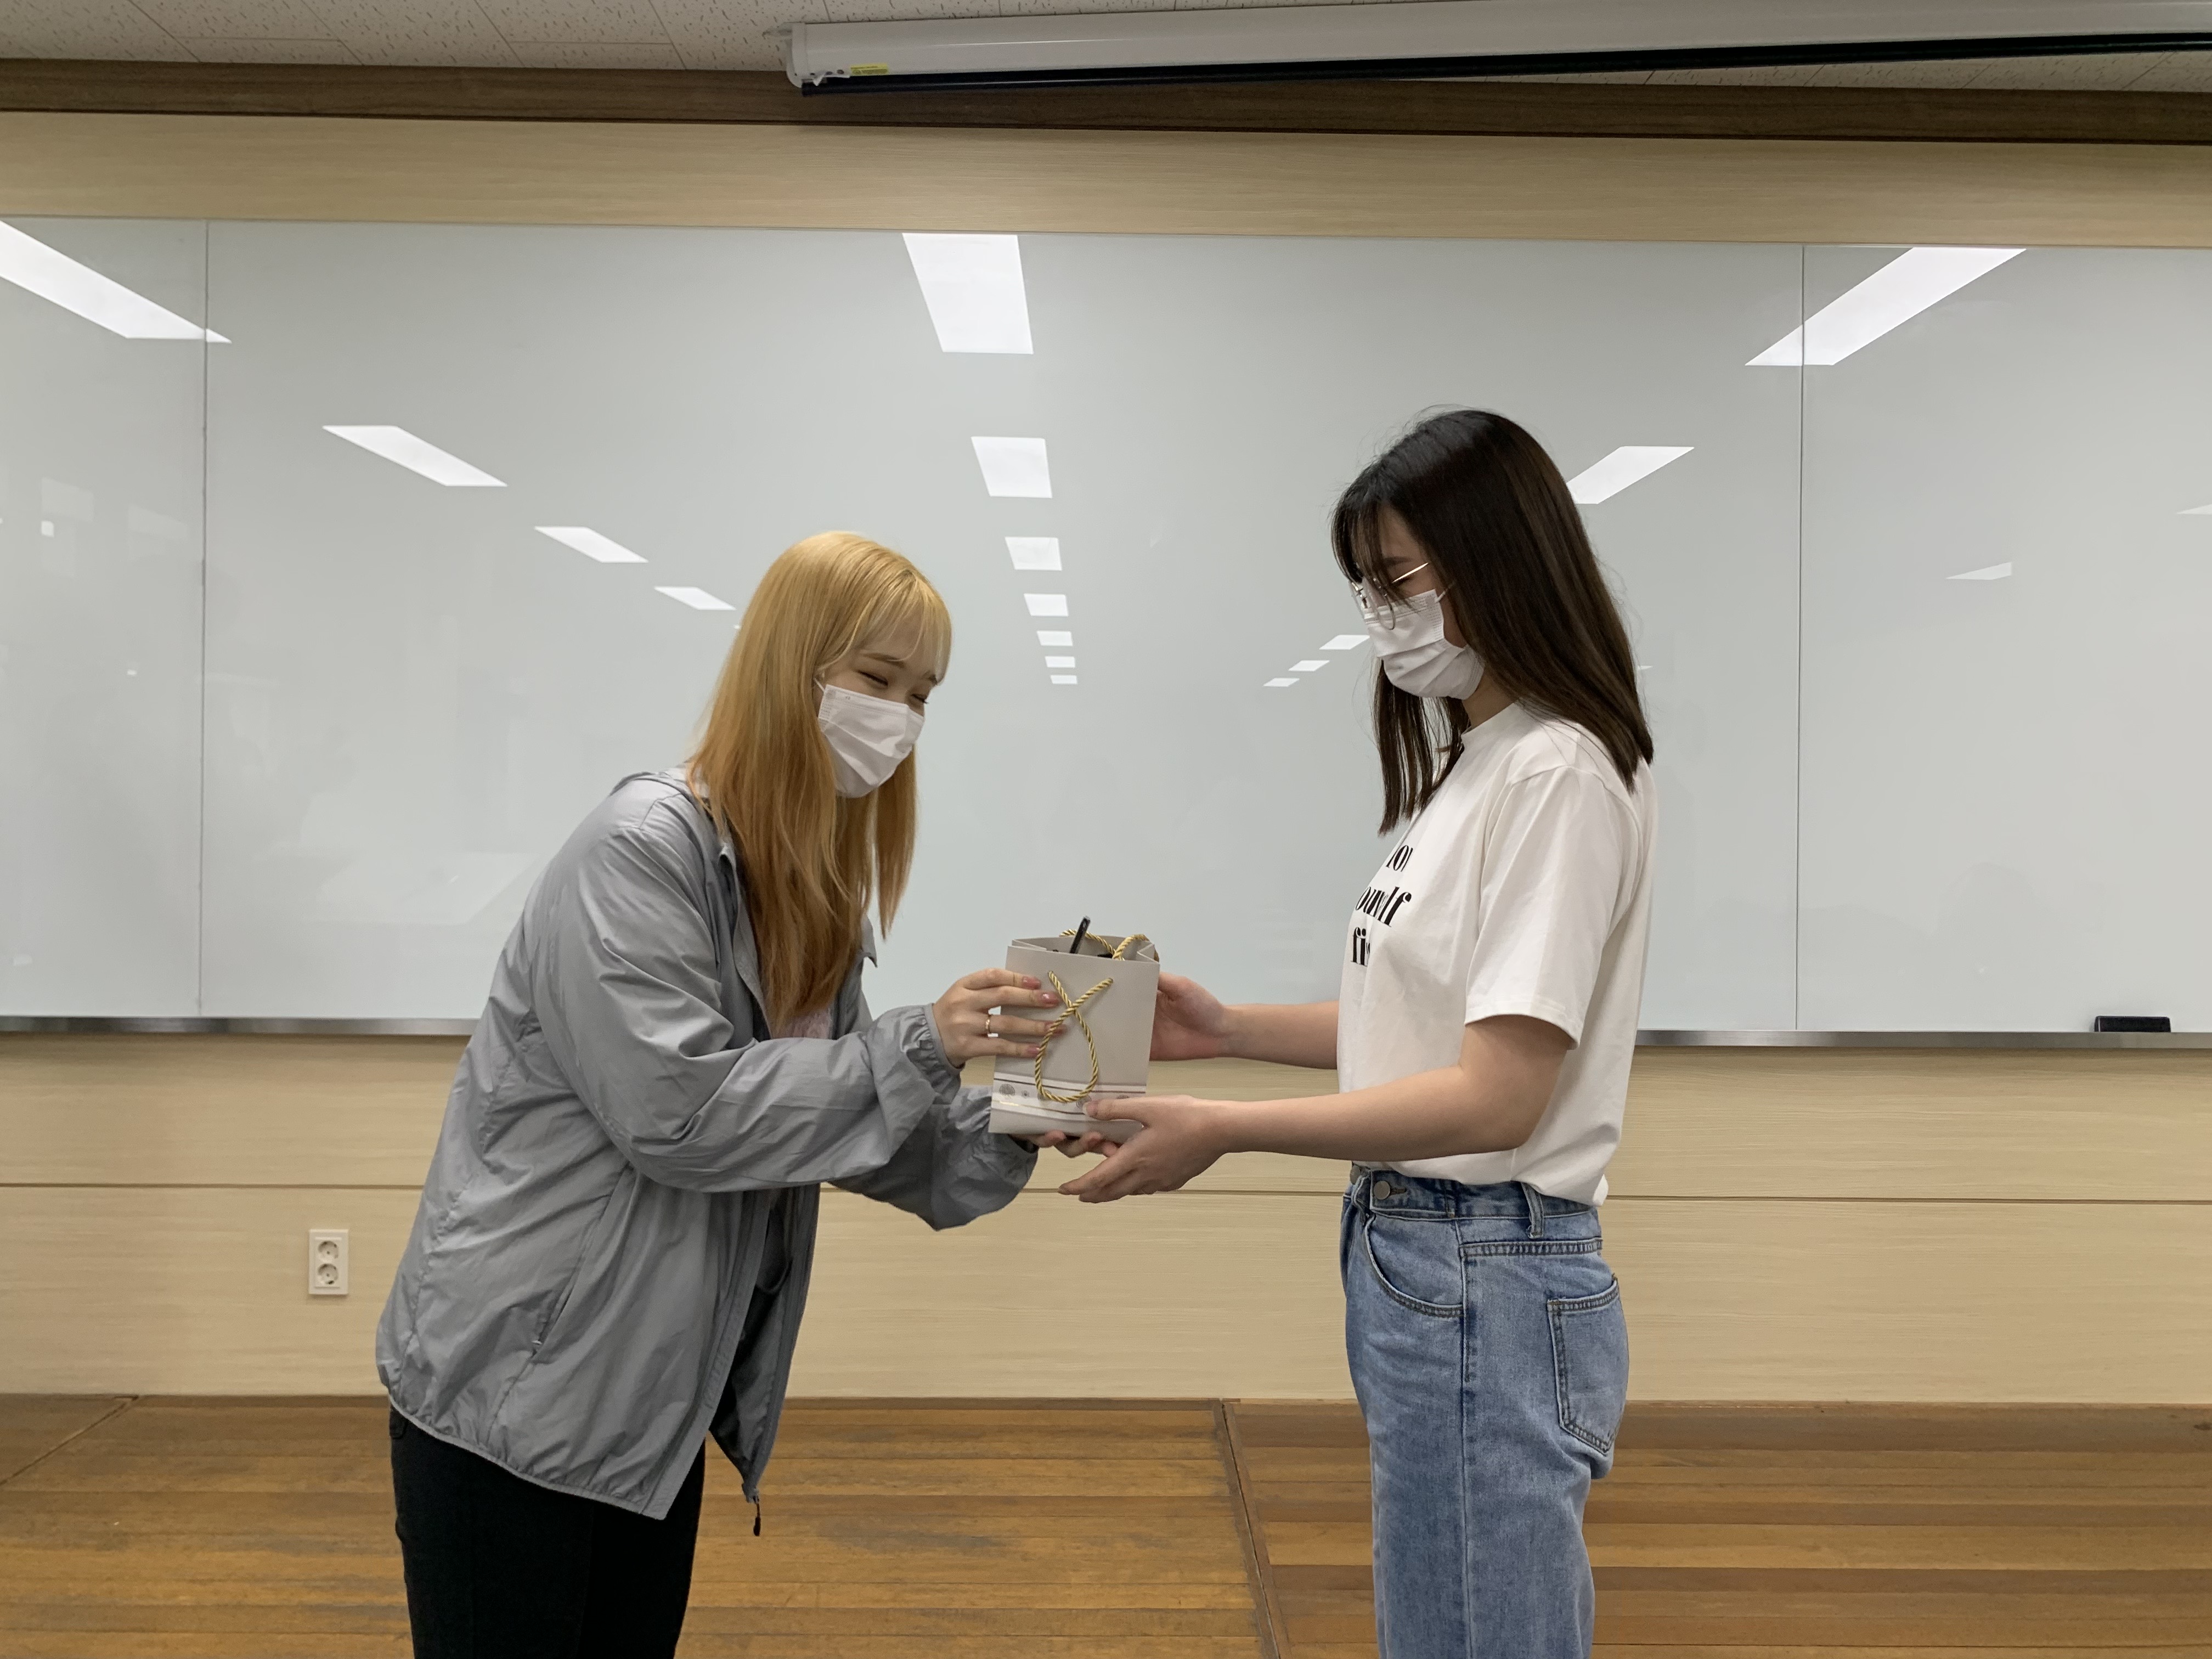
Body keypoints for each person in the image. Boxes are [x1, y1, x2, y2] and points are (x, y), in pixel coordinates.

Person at [377, 531, 1090, 1658]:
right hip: (518, 1388)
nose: (900, 720)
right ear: (790, 668)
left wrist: (1022, 1118)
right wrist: (921, 1043)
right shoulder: (640, 851)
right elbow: (683, 1115)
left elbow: (849, 1123)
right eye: (877, 679)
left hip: (648, 1404)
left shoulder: (804, 885)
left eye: (922, 695)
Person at [1064, 411, 1657, 1658]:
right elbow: (1432, 1029)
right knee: (1441, 1618)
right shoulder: (1483, 763)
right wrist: (1228, 1029)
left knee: (1477, 1628)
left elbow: (1498, 1097)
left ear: (1494, 560)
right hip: (1430, 1256)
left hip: (1485, 1259)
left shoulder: (1556, 773)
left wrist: (1224, 1128)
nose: (1381, 616)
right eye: (1368, 587)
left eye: (1397, 581)